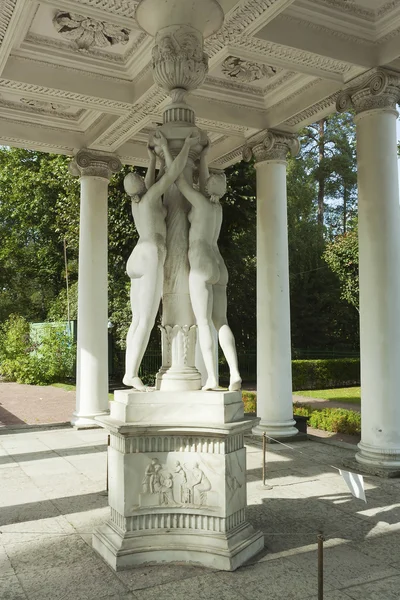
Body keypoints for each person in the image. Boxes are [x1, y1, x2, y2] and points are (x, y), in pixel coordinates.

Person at [162, 139, 242, 391]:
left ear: (208, 188)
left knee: (204, 322)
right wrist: (205, 157)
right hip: (219, 264)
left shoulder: (200, 203)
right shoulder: (215, 207)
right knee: (222, 321)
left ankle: (212, 379)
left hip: (201, 263)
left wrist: (168, 150)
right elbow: (207, 183)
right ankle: (235, 373)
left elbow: (179, 180)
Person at [123, 131, 199, 390]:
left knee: (137, 320)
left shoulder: (140, 201)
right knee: (145, 319)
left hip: (139, 256)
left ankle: (129, 372)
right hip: (151, 254)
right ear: (142, 187)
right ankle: (131, 374)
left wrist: (151, 158)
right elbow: (174, 172)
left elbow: (149, 180)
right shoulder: (151, 198)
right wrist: (177, 147)